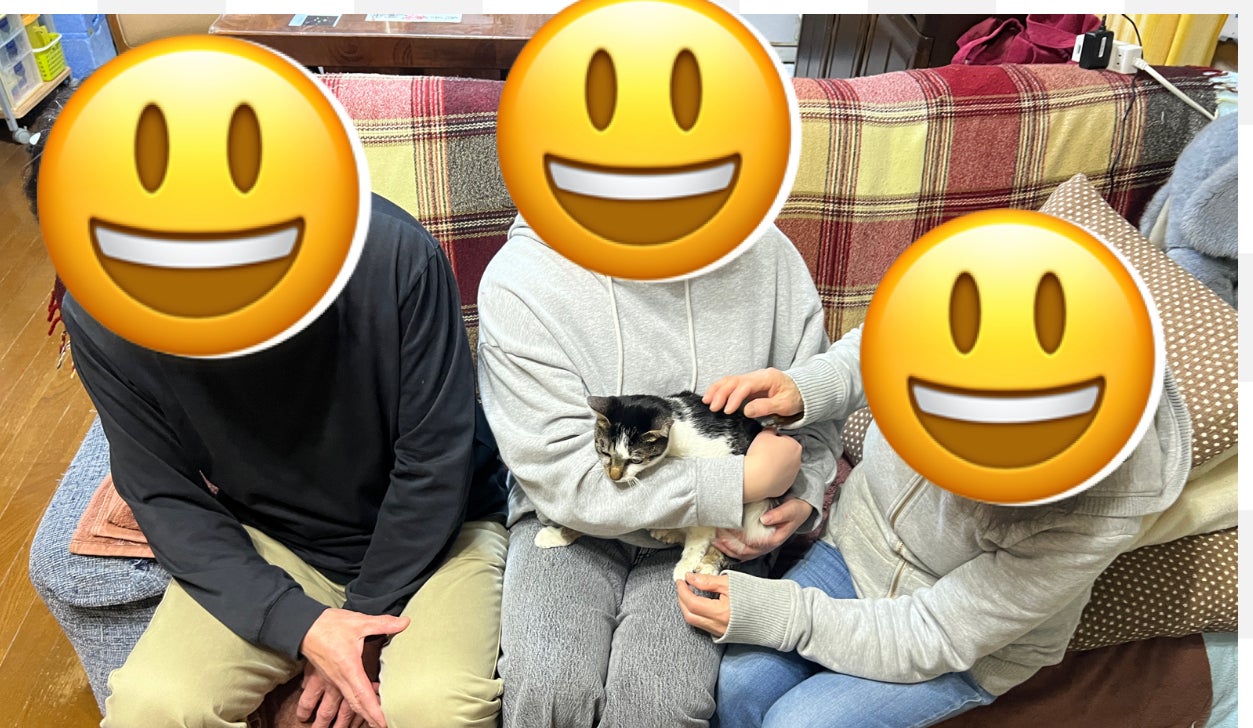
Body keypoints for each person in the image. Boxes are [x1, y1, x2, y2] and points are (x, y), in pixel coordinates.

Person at [28, 135, 509, 728]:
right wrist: (303, 626)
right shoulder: (98, 310)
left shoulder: (389, 253)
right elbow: (160, 492)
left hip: (441, 537)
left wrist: (358, 625)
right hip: (272, 537)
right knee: (152, 707)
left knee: (436, 707)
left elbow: (435, 462)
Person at [682, 331, 1192, 728]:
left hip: (958, 644)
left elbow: (936, 632)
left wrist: (784, 614)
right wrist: (810, 386)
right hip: (852, 550)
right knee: (741, 683)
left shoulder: (1096, 511)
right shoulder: (992, 303)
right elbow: (892, 341)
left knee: (802, 723)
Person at [475, 216, 843, 728]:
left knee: (659, 705)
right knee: (548, 689)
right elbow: (561, 476)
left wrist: (801, 493)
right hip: (568, 519)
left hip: (718, 530)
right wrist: (739, 482)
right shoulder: (522, 275)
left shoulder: (769, 256)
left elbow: (814, 405)